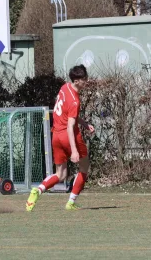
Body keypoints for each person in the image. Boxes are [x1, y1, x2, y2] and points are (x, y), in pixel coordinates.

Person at [26, 64, 95, 211]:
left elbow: (67, 114)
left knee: (61, 174)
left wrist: (83, 123)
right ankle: (71, 202)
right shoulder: (75, 101)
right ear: (76, 81)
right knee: (84, 168)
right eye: (84, 79)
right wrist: (74, 150)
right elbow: (70, 126)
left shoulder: (65, 87)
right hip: (69, 136)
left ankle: (37, 191)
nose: (86, 81)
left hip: (56, 135)